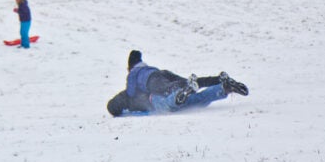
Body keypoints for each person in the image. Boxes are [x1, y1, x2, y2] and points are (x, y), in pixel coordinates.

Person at [106, 50, 249, 116]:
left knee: (169, 101)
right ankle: (222, 85)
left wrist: (132, 96)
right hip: (163, 73)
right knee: (196, 98)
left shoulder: (134, 76)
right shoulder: (148, 67)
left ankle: (183, 92)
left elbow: (128, 93)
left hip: (154, 88)